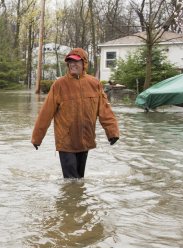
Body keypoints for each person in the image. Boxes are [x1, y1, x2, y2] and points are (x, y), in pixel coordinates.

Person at [31, 48, 120, 179]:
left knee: (79, 180)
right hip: (66, 142)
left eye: (76, 61)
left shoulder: (94, 83)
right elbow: (45, 113)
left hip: (85, 140)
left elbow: (105, 110)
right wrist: (37, 138)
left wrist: (112, 132)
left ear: (84, 63)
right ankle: (70, 199)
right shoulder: (59, 85)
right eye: (70, 62)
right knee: (71, 181)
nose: (73, 64)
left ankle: (77, 199)